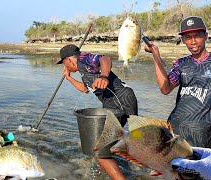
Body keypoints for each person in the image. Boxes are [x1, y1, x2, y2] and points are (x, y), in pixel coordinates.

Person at [57, 44, 138, 180]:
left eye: (63, 63)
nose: (65, 67)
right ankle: (107, 171)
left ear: (68, 60)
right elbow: (85, 89)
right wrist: (69, 78)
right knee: (105, 144)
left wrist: (104, 77)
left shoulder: (82, 59)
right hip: (114, 101)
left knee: (99, 149)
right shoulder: (84, 72)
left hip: (119, 99)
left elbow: (105, 58)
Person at [144, 16, 211, 148]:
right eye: (188, 37)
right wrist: (155, 55)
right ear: (182, 40)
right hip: (174, 131)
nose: (193, 41)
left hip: (202, 136)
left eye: (197, 36)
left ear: (206, 36)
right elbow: (165, 88)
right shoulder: (181, 64)